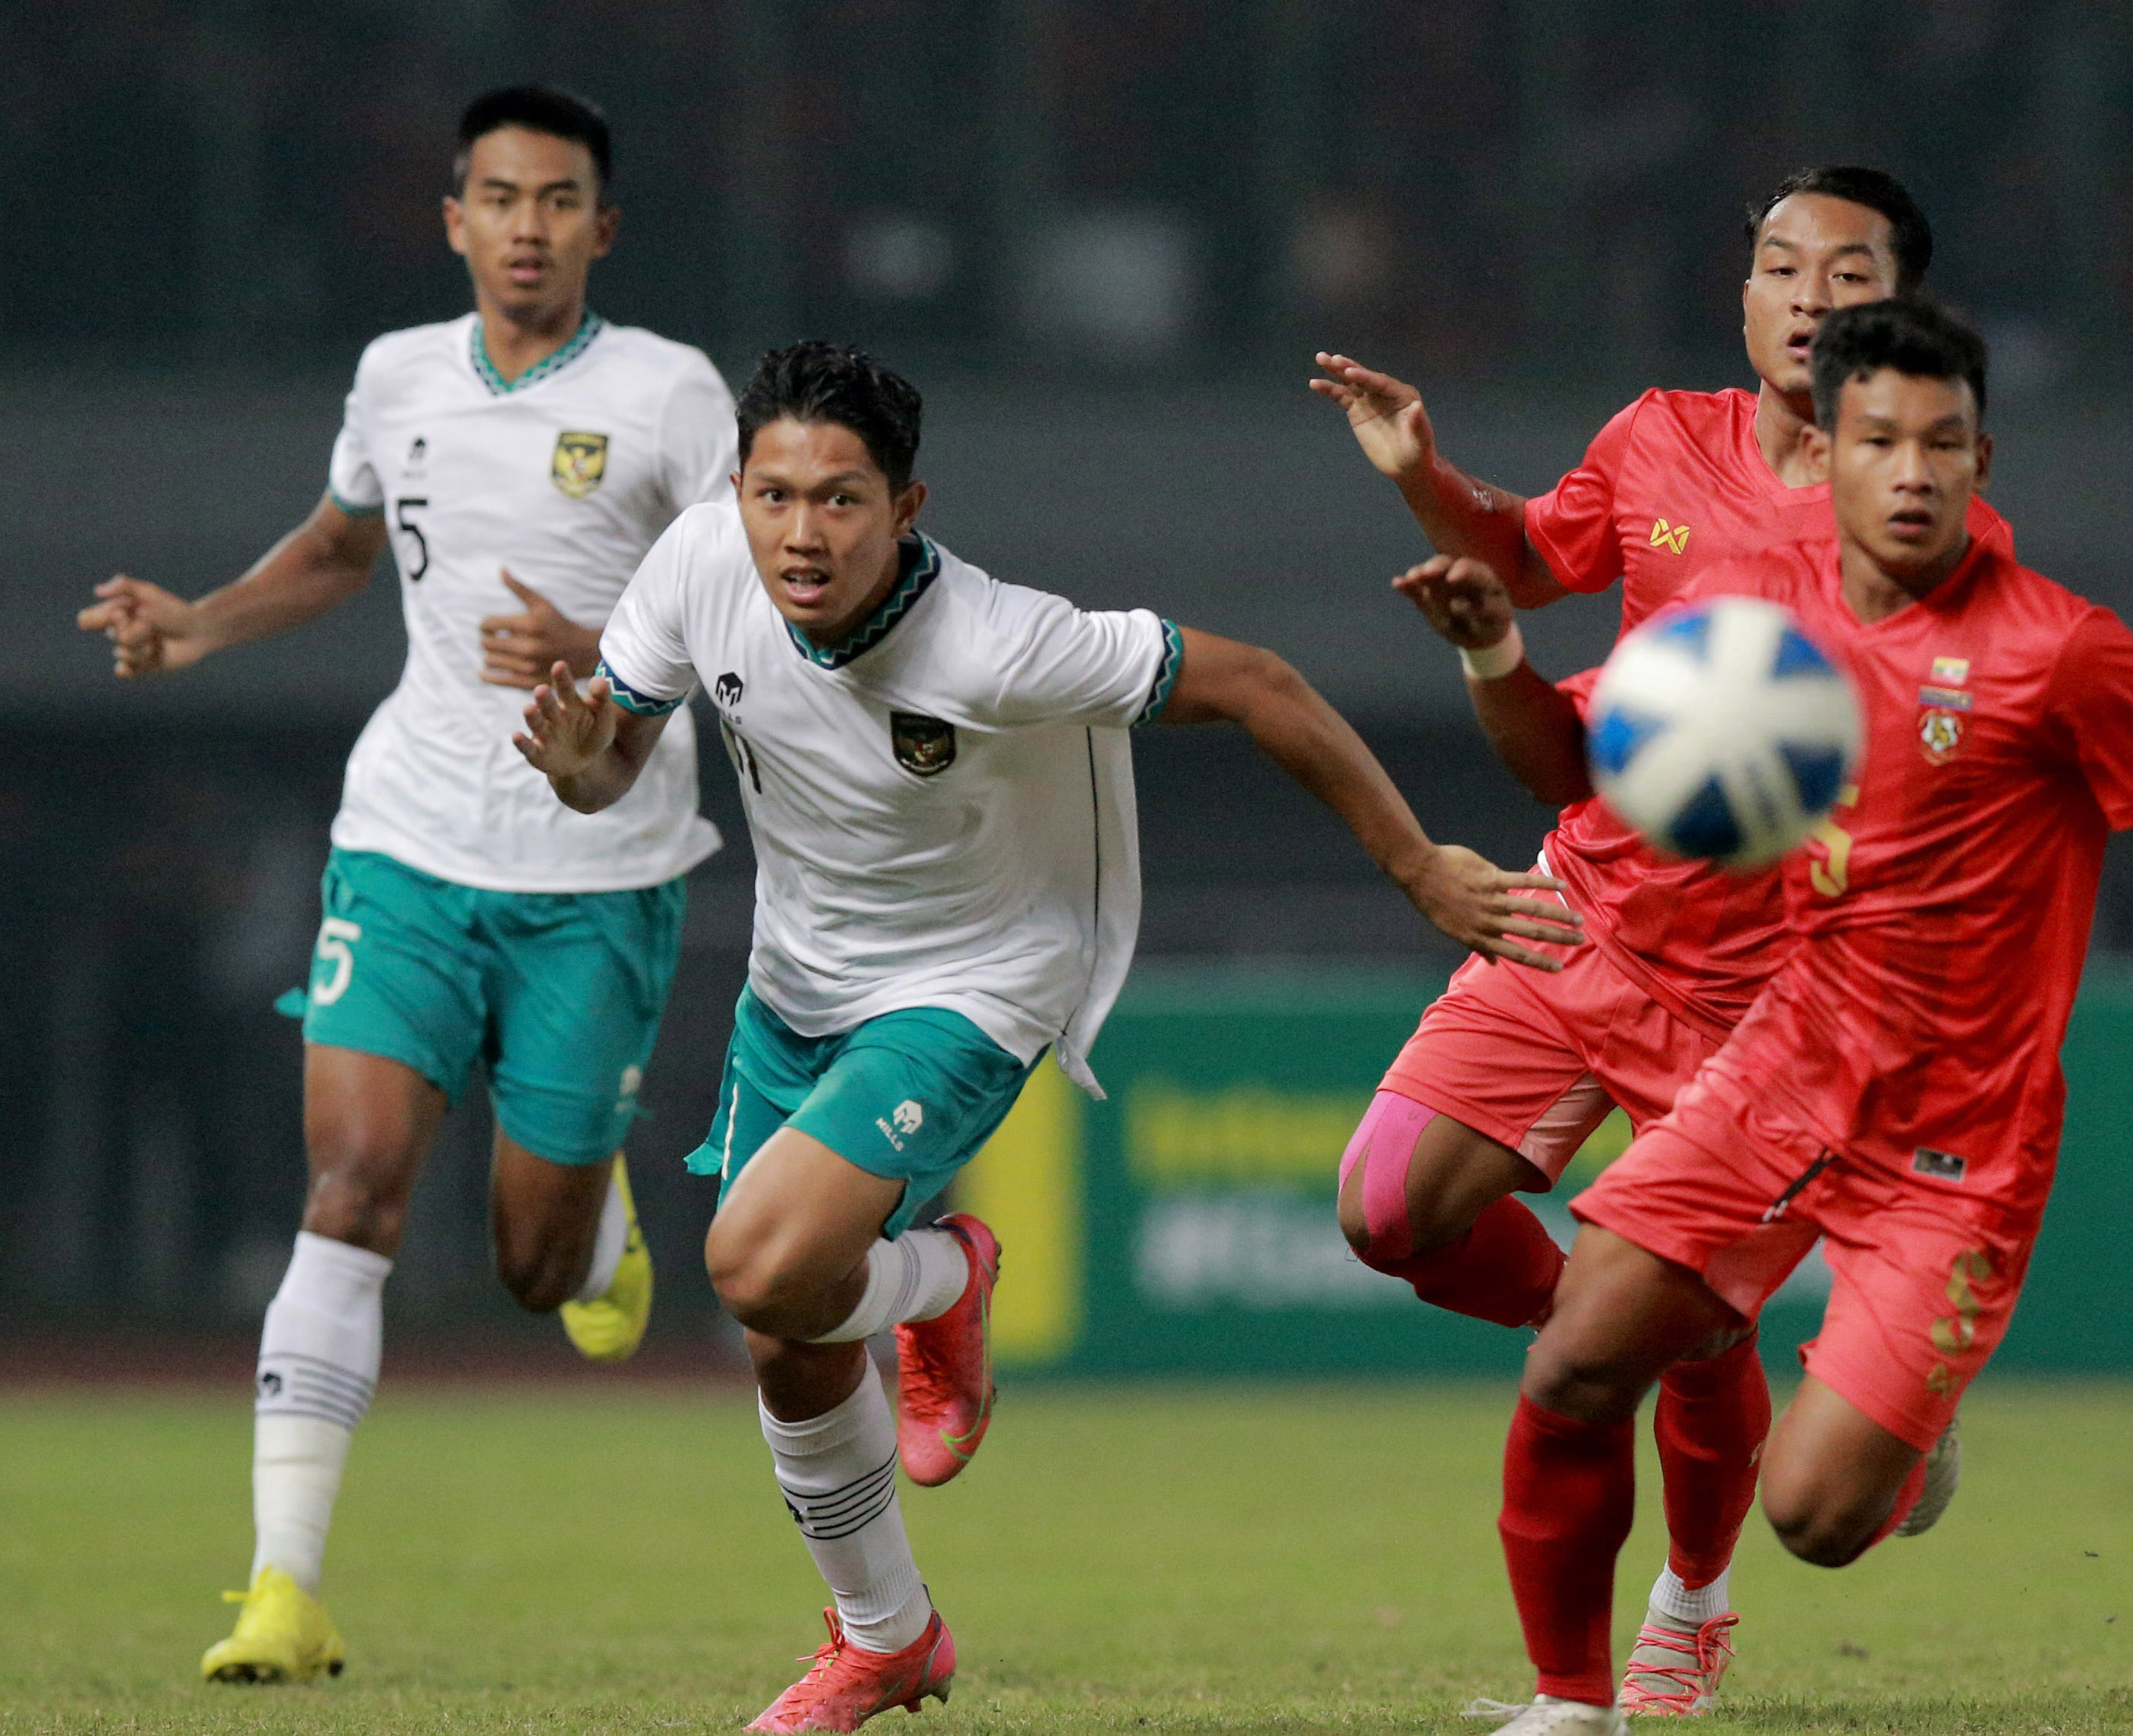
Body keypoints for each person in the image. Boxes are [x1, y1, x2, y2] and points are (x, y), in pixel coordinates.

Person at [515, 340, 1581, 1731]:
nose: (800, 531)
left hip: (976, 979)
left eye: (840, 498)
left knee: (754, 1260)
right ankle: (886, 1634)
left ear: (907, 506)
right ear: (736, 490)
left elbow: (1258, 683)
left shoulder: (998, 639)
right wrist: (575, 757)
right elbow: (608, 775)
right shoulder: (697, 566)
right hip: (795, 981)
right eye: (773, 494)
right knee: (785, 1329)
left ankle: (944, 1277)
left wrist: (1417, 865)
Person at [1465, 298, 2133, 1735]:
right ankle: (1573, 1705)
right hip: (1779, 1070)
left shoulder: (2059, 651)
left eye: (1942, 442)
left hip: (1960, 1143)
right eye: (1879, 438)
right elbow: (1574, 756)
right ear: (1826, 455)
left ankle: (1897, 1429)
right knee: (1577, 1358)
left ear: (1980, 459)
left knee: (1813, 1516)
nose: (1910, 470)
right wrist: (1492, 654)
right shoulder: (1756, 625)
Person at [1314, 166, 2002, 1715]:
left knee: (1652, 1320)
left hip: (1785, 1003)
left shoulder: (1926, 522)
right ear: (1740, 294)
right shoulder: (1653, 439)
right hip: (1590, 923)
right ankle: (1665, 1315)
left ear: (1898, 315)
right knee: (1385, 1206)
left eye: (1845, 276)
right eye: (1776, 266)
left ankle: (1682, 1607)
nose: (1805, 297)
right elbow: (1530, 558)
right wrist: (1420, 473)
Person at [73, 86, 737, 1685]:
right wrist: (197, 625)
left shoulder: (670, 396)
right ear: (453, 221)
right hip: (410, 842)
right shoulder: (396, 377)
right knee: (352, 1187)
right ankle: (282, 1593)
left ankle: (590, 1240)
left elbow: (755, 605)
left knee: (524, 1260)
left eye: (557, 199)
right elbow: (336, 547)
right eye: (497, 197)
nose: (526, 225)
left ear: (602, 227)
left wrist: (597, 651)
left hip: (599, 866)